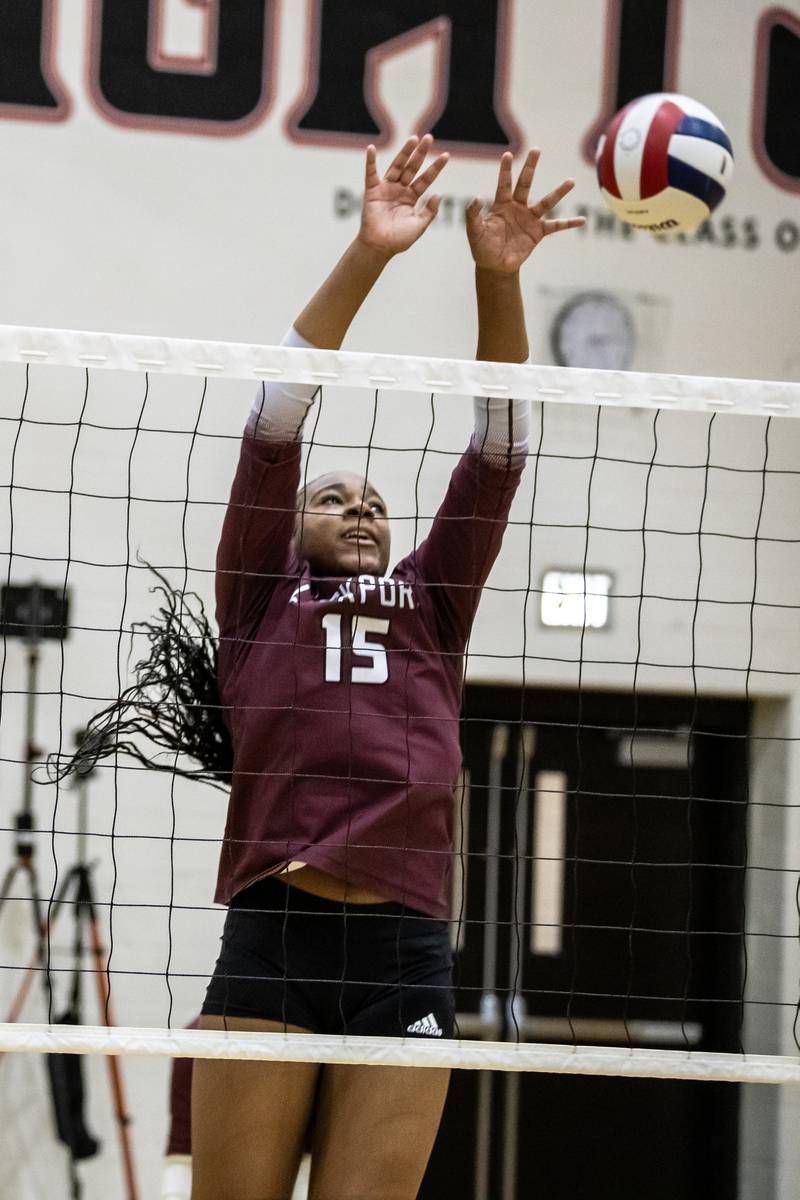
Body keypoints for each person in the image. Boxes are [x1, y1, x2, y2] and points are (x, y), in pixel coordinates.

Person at [190, 134, 584, 1200]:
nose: (359, 505)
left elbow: (497, 451)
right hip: (276, 934)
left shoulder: (430, 601)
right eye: (332, 497)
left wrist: (492, 277)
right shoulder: (259, 597)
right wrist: (371, 252)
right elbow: (276, 415)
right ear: (291, 528)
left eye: (373, 500)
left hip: (405, 950)